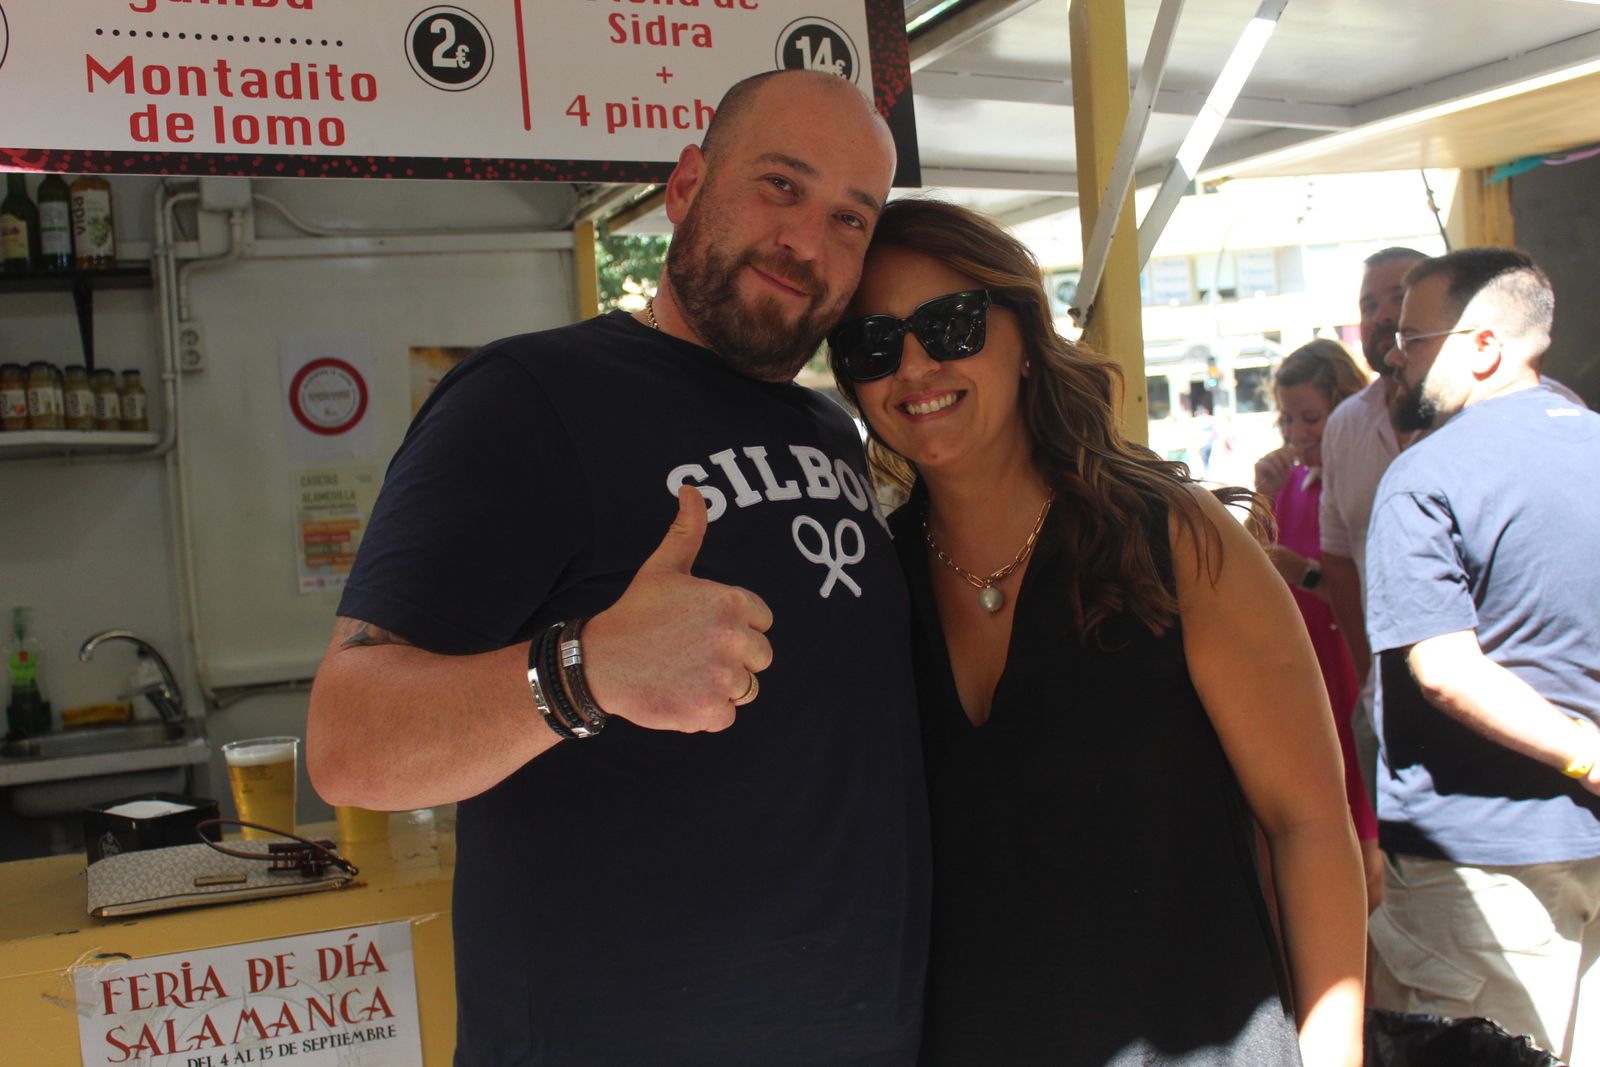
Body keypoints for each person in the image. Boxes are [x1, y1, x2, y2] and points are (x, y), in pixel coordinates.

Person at [306, 70, 931, 1065]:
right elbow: (348, 743)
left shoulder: (833, 428)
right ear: (686, 186)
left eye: (849, 219)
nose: (807, 243)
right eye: (780, 185)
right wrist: (585, 669)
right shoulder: (527, 395)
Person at [829, 198, 1366, 1067]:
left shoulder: (1173, 537)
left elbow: (1306, 820)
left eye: (952, 324)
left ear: (1025, 336)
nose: (916, 365)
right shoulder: (869, 580)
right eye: (874, 343)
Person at [1365, 247, 1600, 1063]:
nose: (1395, 355)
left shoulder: (1426, 475)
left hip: (1478, 867)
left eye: (1414, 338)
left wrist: (1587, 755)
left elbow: (1446, 669)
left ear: (1485, 345)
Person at [1266, 339, 1383, 910]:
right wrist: (1260, 496)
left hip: (1349, 673)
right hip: (1308, 677)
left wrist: (1307, 575)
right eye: (1287, 419)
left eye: (1309, 418)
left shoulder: (1358, 485)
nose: (1295, 433)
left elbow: (1373, 598)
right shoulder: (1291, 484)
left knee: (1366, 842)